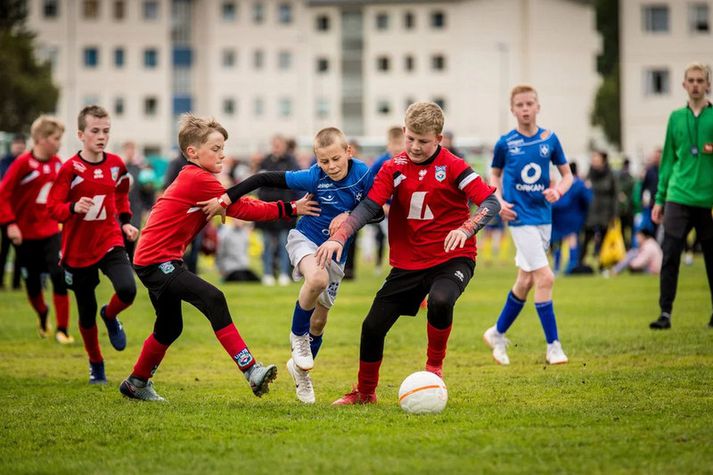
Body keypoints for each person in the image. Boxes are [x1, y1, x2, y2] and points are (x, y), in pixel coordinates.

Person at [118, 114, 319, 402]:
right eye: (215, 148)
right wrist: (291, 208)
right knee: (213, 298)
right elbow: (244, 208)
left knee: (170, 326)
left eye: (223, 147)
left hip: (159, 259)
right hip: (156, 260)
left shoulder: (197, 177)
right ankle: (251, 370)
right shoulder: (197, 178)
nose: (222, 153)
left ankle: (136, 383)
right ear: (192, 153)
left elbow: (236, 205)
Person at [315, 102, 500, 405]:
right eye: (410, 138)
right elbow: (370, 206)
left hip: (453, 256)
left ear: (438, 139)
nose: (415, 146)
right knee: (372, 326)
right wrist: (341, 235)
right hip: (408, 263)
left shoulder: (454, 166)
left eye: (423, 141)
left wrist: (465, 229)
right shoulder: (393, 167)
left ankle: (434, 369)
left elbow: (490, 203)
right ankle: (364, 393)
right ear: (404, 132)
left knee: (441, 300)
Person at [202, 127, 376, 404]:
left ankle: (300, 373)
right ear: (316, 160)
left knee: (319, 322)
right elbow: (262, 177)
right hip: (304, 240)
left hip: (336, 254)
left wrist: (347, 216)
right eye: (324, 161)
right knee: (316, 280)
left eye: (335, 159)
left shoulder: (364, 174)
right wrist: (227, 197)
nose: (330, 166)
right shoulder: (312, 177)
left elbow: (375, 210)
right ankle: (297, 338)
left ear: (348, 153)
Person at [482, 84, 573, 366]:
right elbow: (493, 175)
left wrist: (558, 191)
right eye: (519, 105)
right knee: (546, 278)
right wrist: (498, 200)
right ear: (512, 109)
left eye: (529, 104)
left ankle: (497, 332)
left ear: (537, 106)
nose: (525, 109)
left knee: (525, 280)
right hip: (519, 217)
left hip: (544, 217)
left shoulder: (550, 139)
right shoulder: (505, 143)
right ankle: (553, 346)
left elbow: (567, 175)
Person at [47, 105, 138, 384]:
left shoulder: (116, 165)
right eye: (95, 131)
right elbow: (53, 207)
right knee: (85, 313)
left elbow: (121, 194)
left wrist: (124, 222)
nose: (101, 136)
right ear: (81, 134)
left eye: (106, 131)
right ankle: (96, 364)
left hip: (109, 239)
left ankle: (110, 316)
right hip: (77, 251)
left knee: (127, 289)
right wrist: (73, 207)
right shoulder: (69, 169)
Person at [649, 62, 713, 330]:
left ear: (708, 85)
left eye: (701, 80)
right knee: (670, 254)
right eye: (691, 80)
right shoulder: (675, 118)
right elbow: (666, 162)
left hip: (708, 200)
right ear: (684, 85)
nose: (696, 84)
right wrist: (660, 198)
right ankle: (665, 313)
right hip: (677, 196)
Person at [0, 117, 73, 343]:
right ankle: (43, 314)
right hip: (24, 234)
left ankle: (62, 329)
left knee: (58, 275)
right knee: (32, 283)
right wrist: (11, 224)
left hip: (51, 229)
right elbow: (3, 194)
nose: (60, 143)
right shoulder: (23, 163)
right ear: (41, 139)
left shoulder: (58, 164)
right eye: (56, 139)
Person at [255, 135, 299, 286]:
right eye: (274, 144)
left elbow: (296, 185)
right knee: (267, 243)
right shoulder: (265, 161)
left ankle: (284, 274)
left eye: (279, 144)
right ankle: (267, 273)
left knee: (283, 243)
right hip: (266, 209)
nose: (276, 147)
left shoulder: (291, 162)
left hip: (285, 209)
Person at [370, 126, 405, 273]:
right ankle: (381, 265)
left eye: (400, 143)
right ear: (388, 144)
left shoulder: (408, 160)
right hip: (385, 211)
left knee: (403, 240)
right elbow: (369, 184)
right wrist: (382, 205)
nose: (397, 148)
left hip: (403, 210)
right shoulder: (380, 162)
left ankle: (403, 267)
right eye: (394, 144)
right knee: (386, 238)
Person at [551, 162, 592, 274]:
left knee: (557, 242)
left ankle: (556, 267)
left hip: (558, 216)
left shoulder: (561, 183)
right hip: (574, 217)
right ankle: (572, 266)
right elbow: (588, 199)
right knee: (572, 240)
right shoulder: (580, 184)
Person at [579, 150, 617, 270]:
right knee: (586, 239)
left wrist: (614, 214)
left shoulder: (611, 175)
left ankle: (603, 264)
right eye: (593, 159)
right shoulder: (589, 174)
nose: (594, 161)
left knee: (604, 240)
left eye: (597, 159)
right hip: (591, 213)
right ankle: (580, 264)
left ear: (603, 160)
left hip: (605, 213)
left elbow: (615, 196)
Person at [0, 133, 27, 290]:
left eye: (21, 144)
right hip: (6, 213)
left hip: (21, 212)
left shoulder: (26, 163)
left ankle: (16, 283)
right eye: (17, 144)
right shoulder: (4, 162)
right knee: (5, 249)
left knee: (21, 250)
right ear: (12, 146)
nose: (19, 147)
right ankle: (1, 281)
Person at [617, 158, 635, 249]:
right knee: (627, 228)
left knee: (625, 229)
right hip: (626, 209)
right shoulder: (629, 178)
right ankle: (627, 245)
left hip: (625, 209)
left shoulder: (622, 177)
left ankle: (627, 245)